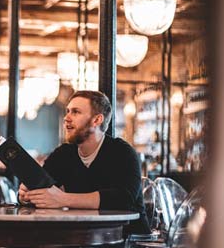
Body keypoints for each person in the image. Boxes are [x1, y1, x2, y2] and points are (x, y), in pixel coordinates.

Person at [18, 90, 150, 235]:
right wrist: (28, 195)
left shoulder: (122, 153)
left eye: (75, 112)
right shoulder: (64, 154)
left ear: (96, 120)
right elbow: (45, 188)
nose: (66, 118)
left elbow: (123, 199)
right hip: (82, 238)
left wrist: (64, 199)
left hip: (128, 241)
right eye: (67, 111)